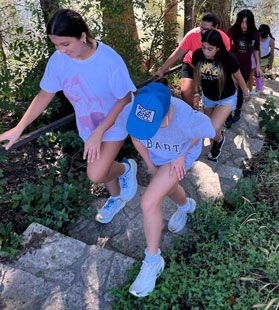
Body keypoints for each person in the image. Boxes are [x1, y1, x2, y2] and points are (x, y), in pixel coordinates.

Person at [0, 9, 138, 224]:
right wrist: (19, 127)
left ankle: (127, 167)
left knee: (96, 173)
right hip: (87, 123)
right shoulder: (59, 60)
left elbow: (124, 98)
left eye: (65, 44)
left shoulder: (109, 60)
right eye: (55, 45)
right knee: (100, 163)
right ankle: (116, 196)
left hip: (114, 120)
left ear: (83, 36)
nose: (61, 51)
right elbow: (45, 94)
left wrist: (99, 132)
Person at [121, 82, 215, 297]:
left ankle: (153, 260)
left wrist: (182, 155)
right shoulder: (137, 108)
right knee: (168, 187)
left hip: (178, 158)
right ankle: (186, 205)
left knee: (148, 201)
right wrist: (149, 163)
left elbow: (202, 131)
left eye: (155, 124)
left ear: (168, 112)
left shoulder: (186, 117)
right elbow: (136, 137)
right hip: (157, 155)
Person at [192, 29, 250, 161]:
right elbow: (195, 74)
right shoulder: (198, 55)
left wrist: (246, 94)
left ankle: (218, 139)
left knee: (211, 129)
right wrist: (196, 93)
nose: (205, 52)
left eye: (210, 49)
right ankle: (219, 139)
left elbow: (239, 78)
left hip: (226, 98)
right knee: (212, 131)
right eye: (204, 47)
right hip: (208, 98)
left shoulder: (228, 59)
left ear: (218, 48)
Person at [154, 13, 231, 108]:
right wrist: (162, 70)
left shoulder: (224, 39)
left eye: (207, 29)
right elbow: (177, 54)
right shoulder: (192, 35)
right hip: (191, 64)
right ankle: (194, 113)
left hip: (211, 67)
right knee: (186, 93)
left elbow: (225, 60)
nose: (203, 31)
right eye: (201, 27)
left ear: (216, 27)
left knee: (215, 94)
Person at [225, 9, 262, 129]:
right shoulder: (232, 31)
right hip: (231, 67)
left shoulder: (255, 34)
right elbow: (224, 47)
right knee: (229, 91)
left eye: (246, 22)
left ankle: (238, 110)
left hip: (245, 67)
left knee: (241, 90)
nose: (243, 25)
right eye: (241, 22)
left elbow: (256, 50)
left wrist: (258, 66)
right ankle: (227, 114)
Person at [248, 24, 275, 92]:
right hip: (256, 58)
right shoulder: (256, 37)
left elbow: (272, 54)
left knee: (258, 74)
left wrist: (271, 64)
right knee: (254, 74)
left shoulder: (271, 40)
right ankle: (259, 82)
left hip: (265, 60)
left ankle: (258, 89)